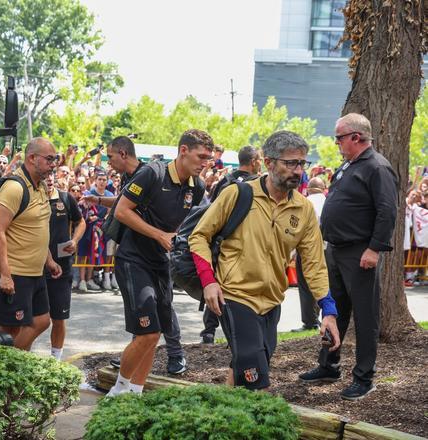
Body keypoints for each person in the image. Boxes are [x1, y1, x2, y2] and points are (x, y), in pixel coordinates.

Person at [189, 130, 341, 392]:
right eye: (290, 163)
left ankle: (221, 422)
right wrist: (209, 282)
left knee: (243, 369)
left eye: (301, 163)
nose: (298, 171)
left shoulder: (303, 209)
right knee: (257, 381)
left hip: (271, 302)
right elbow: (199, 236)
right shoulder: (237, 194)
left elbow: (315, 263)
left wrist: (328, 310)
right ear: (269, 163)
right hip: (234, 297)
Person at [299, 113, 398, 401]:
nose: (337, 142)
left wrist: (374, 248)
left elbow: (387, 211)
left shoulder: (377, 167)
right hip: (337, 250)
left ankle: (364, 378)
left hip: (359, 252)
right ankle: (328, 365)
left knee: (365, 317)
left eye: (339, 137)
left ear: (356, 137)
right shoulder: (348, 165)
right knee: (334, 310)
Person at [106, 129, 210, 397]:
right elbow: (121, 211)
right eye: (201, 156)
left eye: (208, 157)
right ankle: (118, 391)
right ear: (183, 151)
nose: (205, 162)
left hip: (162, 264)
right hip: (133, 259)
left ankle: (136, 393)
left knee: (155, 333)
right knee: (148, 333)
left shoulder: (197, 187)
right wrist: (159, 235)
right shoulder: (153, 173)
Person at [89, 136, 191, 374]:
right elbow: (127, 202)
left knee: (164, 306)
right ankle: (135, 353)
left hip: (158, 252)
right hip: (136, 252)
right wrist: (99, 200)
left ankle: (176, 355)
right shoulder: (129, 177)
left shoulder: (149, 174)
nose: (108, 162)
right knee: (142, 306)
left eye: (111, 156)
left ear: (123, 154)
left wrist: (165, 237)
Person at [0, 137, 62, 350]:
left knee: (41, 321)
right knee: (10, 329)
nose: (53, 163)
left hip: (35, 271)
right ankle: (0, 370)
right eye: (49, 159)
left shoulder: (40, 186)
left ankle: (13, 364)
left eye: (55, 159)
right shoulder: (14, 187)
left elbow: (37, 228)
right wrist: (5, 274)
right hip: (14, 270)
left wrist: (49, 260)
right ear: (32, 158)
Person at [201, 145, 262, 344]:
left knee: (217, 284)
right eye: (259, 159)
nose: (260, 163)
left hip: (219, 243)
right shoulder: (258, 185)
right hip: (244, 245)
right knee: (242, 290)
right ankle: (236, 333)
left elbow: (210, 210)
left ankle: (209, 331)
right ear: (253, 162)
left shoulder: (224, 182)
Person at [44, 173, 86, 360]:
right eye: (45, 176)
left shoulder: (66, 198)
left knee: (59, 318)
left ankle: (55, 359)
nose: (49, 179)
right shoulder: (28, 198)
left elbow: (81, 222)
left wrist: (75, 240)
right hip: (33, 266)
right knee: (35, 320)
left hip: (62, 266)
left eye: (51, 175)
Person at [291, 177, 327, 332]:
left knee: (306, 286)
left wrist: (292, 250)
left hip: (306, 249)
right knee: (325, 283)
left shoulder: (304, 203)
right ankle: (325, 317)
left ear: (308, 189)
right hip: (327, 248)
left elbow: (297, 229)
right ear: (323, 188)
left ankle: (310, 321)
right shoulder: (329, 202)